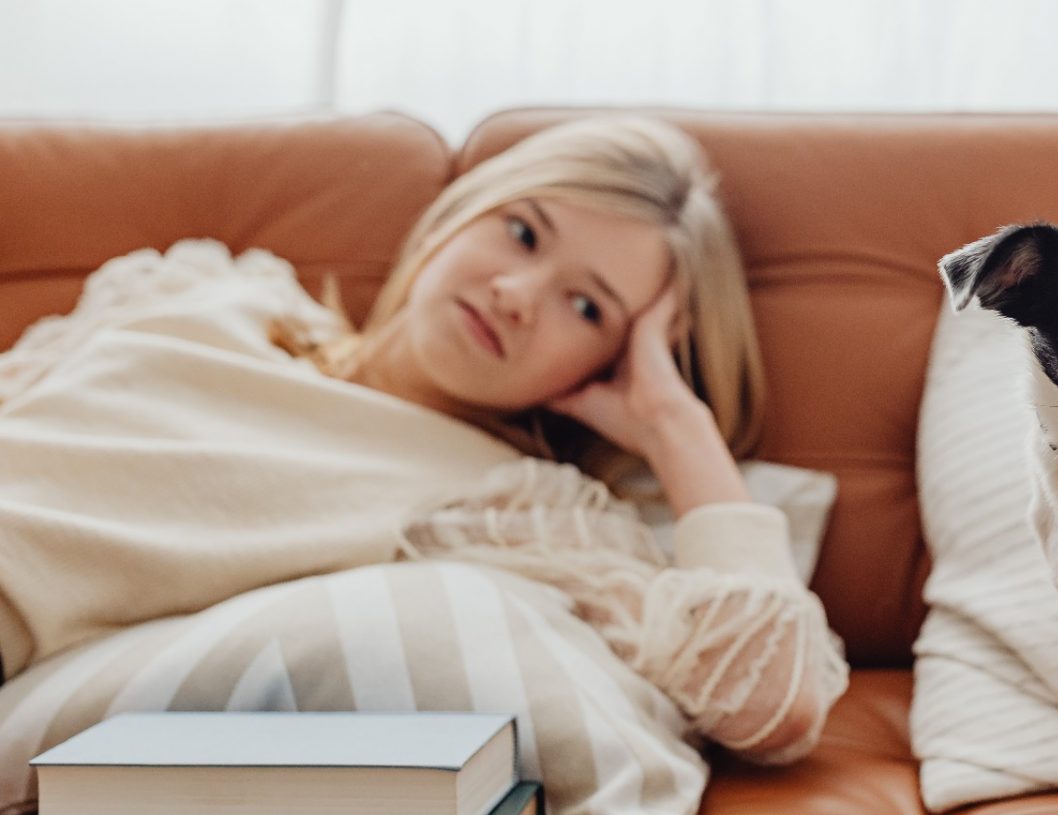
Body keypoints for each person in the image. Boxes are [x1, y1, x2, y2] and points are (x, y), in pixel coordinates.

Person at [0, 117, 847, 766]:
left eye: (586, 307)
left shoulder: (503, 504)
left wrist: (674, 425)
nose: (518, 293)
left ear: (615, 358)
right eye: (522, 232)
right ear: (463, 212)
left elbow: (769, 699)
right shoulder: (208, 287)